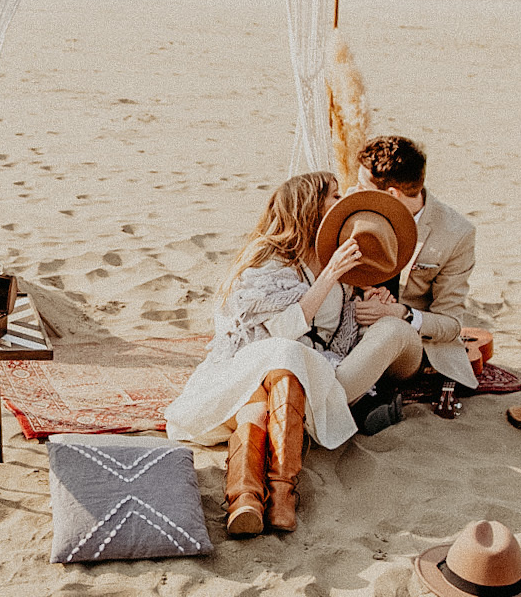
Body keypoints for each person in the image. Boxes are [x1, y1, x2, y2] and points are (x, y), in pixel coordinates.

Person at [164, 172, 425, 536]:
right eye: (334, 196)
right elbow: (280, 333)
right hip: (252, 370)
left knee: (285, 370)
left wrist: (371, 307)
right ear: (310, 206)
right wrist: (328, 277)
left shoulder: (339, 263)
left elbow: (338, 342)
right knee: (267, 382)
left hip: (313, 380)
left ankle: (280, 495)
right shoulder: (267, 263)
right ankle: (248, 501)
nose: (340, 203)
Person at [347, 134, 479, 395]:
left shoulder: (455, 234)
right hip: (349, 320)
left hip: (406, 341)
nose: (353, 190)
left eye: (362, 185)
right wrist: (363, 292)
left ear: (392, 194)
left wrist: (402, 314)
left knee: (390, 330)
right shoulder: (352, 206)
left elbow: (451, 324)